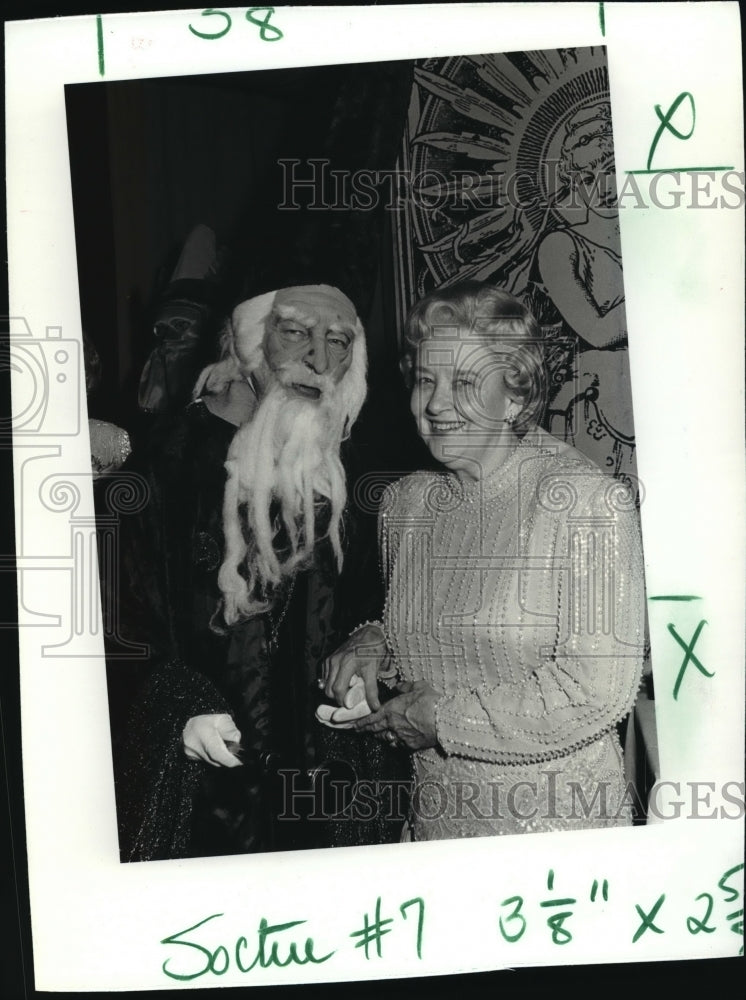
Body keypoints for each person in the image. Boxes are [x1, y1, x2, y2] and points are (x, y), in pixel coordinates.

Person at [324, 280, 646, 840]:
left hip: (556, 836)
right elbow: (452, 636)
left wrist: (441, 721)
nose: (436, 403)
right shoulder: (405, 505)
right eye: (426, 379)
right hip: (435, 827)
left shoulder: (586, 503)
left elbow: (594, 692)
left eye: (466, 383)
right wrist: (376, 642)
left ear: (516, 394)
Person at [111, 284, 376, 861]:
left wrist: (367, 653)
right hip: (205, 786)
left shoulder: (342, 469)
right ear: (247, 345)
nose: (321, 362)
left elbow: (365, 596)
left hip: (319, 783)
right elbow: (115, 618)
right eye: (296, 333)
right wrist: (175, 705)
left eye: (339, 342)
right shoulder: (165, 467)